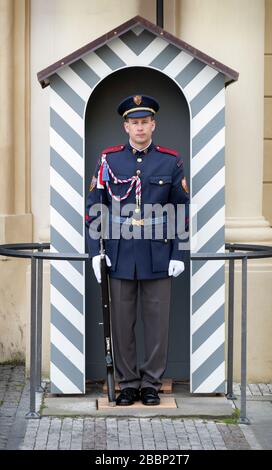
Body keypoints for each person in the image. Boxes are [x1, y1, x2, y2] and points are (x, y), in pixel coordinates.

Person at [85, 94, 189, 406]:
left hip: (158, 253)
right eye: (134, 122)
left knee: (157, 324)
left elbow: (181, 211)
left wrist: (178, 254)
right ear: (125, 127)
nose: (139, 127)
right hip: (119, 254)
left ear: (153, 125)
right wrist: (95, 251)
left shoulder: (170, 161)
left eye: (145, 122)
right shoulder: (109, 160)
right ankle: (128, 382)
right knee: (121, 323)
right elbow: (95, 208)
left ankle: (151, 384)